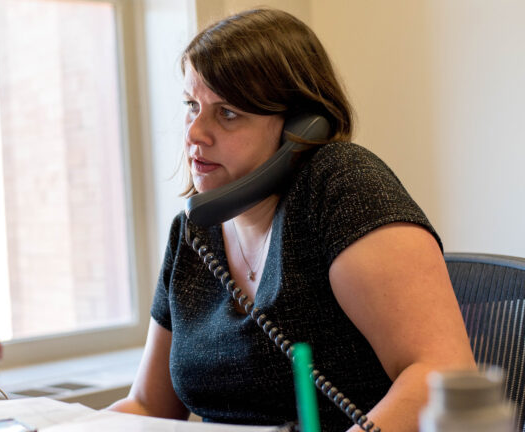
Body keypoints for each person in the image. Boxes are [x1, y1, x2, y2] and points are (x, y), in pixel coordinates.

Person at [108, 8, 477, 432]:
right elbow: (148, 405)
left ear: (300, 126)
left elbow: (441, 374)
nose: (194, 133)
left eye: (227, 113)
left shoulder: (342, 187)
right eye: (193, 106)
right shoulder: (194, 231)